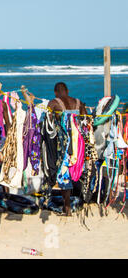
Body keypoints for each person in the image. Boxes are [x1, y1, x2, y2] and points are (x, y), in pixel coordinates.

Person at [47, 82, 87, 217]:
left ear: (55, 92)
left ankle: (67, 207)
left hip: (63, 142)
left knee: (64, 173)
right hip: (78, 141)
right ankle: (82, 198)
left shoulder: (53, 103)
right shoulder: (79, 103)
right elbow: (86, 121)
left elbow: (48, 123)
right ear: (68, 90)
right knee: (76, 168)